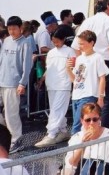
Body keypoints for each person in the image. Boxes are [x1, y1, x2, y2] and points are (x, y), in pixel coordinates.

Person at [72, 0, 109, 128]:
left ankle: (87, 128)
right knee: (106, 98)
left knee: (89, 95)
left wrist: (83, 58)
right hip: (105, 60)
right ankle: (102, 129)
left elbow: (76, 46)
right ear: (108, 6)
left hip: (87, 60)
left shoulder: (87, 22)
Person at [34, 28, 76, 147]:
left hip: (63, 84)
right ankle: (63, 131)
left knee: (57, 109)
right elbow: (49, 68)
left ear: (63, 40)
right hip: (51, 84)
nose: (55, 43)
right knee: (55, 108)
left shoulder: (70, 51)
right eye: (53, 41)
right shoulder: (51, 53)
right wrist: (42, 79)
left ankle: (51, 134)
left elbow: (73, 67)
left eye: (57, 41)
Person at [0, 16, 33, 153]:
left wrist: (22, 83)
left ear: (20, 28)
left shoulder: (25, 44)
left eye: (14, 28)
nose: (12, 31)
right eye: (9, 28)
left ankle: (16, 140)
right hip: (1, 81)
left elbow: (27, 66)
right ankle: (3, 136)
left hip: (13, 84)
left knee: (11, 114)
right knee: (4, 114)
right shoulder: (6, 41)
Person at [64, 103, 109, 175]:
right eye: (88, 120)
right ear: (82, 121)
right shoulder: (76, 137)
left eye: (95, 119)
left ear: (100, 119)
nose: (91, 123)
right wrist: (83, 145)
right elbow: (71, 164)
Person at [68, 30, 109, 134]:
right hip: (76, 95)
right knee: (81, 125)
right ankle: (83, 147)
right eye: (79, 44)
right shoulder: (79, 58)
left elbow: (102, 78)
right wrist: (68, 69)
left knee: (76, 126)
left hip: (89, 95)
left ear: (91, 43)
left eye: (82, 44)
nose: (80, 46)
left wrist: (101, 97)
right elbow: (75, 80)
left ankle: (73, 148)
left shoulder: (97, 57)